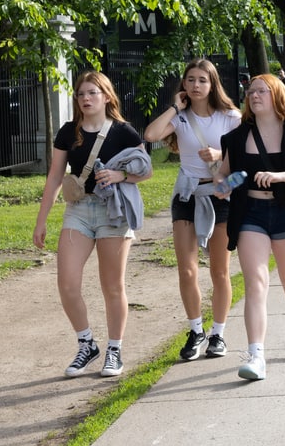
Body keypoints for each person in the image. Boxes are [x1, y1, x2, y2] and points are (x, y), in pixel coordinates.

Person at [33, 71, 152, 379]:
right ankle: (86, 343)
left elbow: (146, 170)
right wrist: (41, 221)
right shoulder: (68, 131)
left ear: (106, 96)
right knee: (67, 283)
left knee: (112, 286)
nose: (85, 99)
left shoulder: (124, 131)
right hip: (79, 210)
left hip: (113, 211)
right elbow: (55, 176)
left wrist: (121, 176)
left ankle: (114, 349)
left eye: (92, 93)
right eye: (81, 94)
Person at [215, 75, 285, 381]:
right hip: (251, 213)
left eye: (261, 91)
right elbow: (223, 175)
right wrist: (224, 185)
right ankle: (256, 355)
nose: (254, 95)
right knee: (256, 283)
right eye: (250, 91)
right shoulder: (237, 137)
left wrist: (280, 177)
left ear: (276, 95)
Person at [143, 58, 242, 362]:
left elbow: (248, 152)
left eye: (202, 80)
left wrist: (221, 154)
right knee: (187, 269)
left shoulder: (230, 117)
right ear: (183, 84)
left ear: (213, 84)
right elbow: (151, 135)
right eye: (190, 80)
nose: (196, 85)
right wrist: (175, 107)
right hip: (187, 195)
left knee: (219, 270)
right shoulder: (180, 118)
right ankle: (196, 330)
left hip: (220, 195)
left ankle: (218, 334)